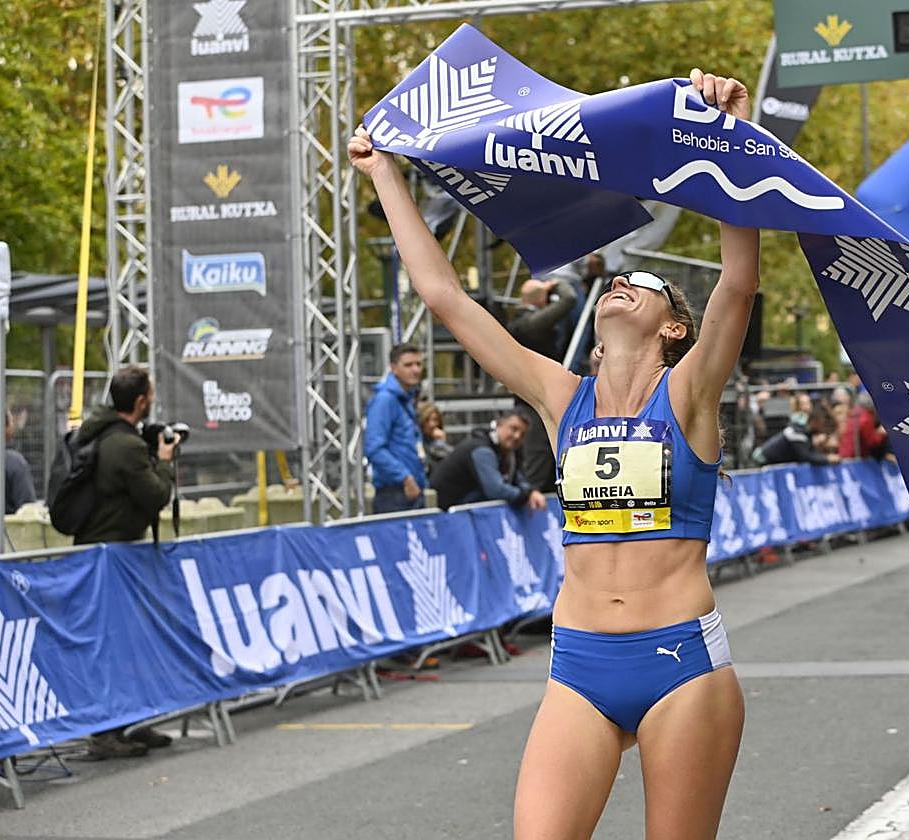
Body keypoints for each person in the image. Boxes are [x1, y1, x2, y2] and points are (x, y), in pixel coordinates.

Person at [350, 66, 754, 840]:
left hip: (681, 664)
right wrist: (386, 176)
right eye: (617, 277)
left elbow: (736, 285)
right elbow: (445, 298)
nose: (622, 281)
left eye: (645, 281)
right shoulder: (559, 396)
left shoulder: (689, 394)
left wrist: (730, 136)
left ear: (675, 327)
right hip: (579, 665)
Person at [74, 365, 178, 758]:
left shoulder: (106, 434)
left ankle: (130, 720)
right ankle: (105, 733)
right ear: (139, 401)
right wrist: (164, 460)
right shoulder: (125, 446)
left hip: (106, 553)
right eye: (149, 395)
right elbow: (154, 496)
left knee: (128, 640)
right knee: (113, 644)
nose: (151, 401)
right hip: (111, 555)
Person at [510, 276, 579, 491]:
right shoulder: (529, 324)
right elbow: (570, 299)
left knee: (545, 454)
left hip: (533, 398)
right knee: (538, 455)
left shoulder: (521, 323)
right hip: (534, 401)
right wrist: (557, 284)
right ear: (541, 299)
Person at [428, 410, 546, 511]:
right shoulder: (482, 450)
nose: (517, 436)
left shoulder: (509, 453)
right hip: (447, 513)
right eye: (513, 429)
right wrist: (526, 495)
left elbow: (517, 478)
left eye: (522, 434)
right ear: (499, 424)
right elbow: (496, 490)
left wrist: (530, 491)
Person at [365, 343, 426, 513]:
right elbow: (374, 448)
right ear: (394, 368)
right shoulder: (385, 400)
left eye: (418, 364)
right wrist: (405, 477)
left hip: (412, 490)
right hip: (394, 493)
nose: (415, 370)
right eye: (408, 365)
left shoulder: (406, 399)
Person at [0, 407, 36, 522]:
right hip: (4, 536)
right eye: (11, 421)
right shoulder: (14, 462)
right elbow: (27, 510)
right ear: (3, 427)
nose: (13, 426)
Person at [416, 402, 453, 473]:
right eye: (427, 420)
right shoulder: (418, 443)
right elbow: (425, 464)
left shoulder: (439, 440)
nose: (432, 424)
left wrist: (441, 442)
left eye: (435, 420)